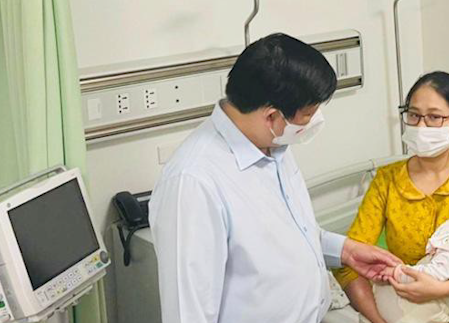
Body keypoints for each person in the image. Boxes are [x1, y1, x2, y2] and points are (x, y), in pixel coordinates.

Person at [149, 33, 400, 323]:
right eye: (308, 114)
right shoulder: (193, 183)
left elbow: (291, 235)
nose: (314, 122)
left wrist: (345, 252)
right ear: (272, 116)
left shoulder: (272, 143)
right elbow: (188, 313)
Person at [334, 71, 449, 323]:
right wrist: (379, 321)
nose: (421, 126)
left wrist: (440, 290)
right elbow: (349, 262)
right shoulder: (387, 181)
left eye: (434, 117)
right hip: (400, 310)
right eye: (413, 115)